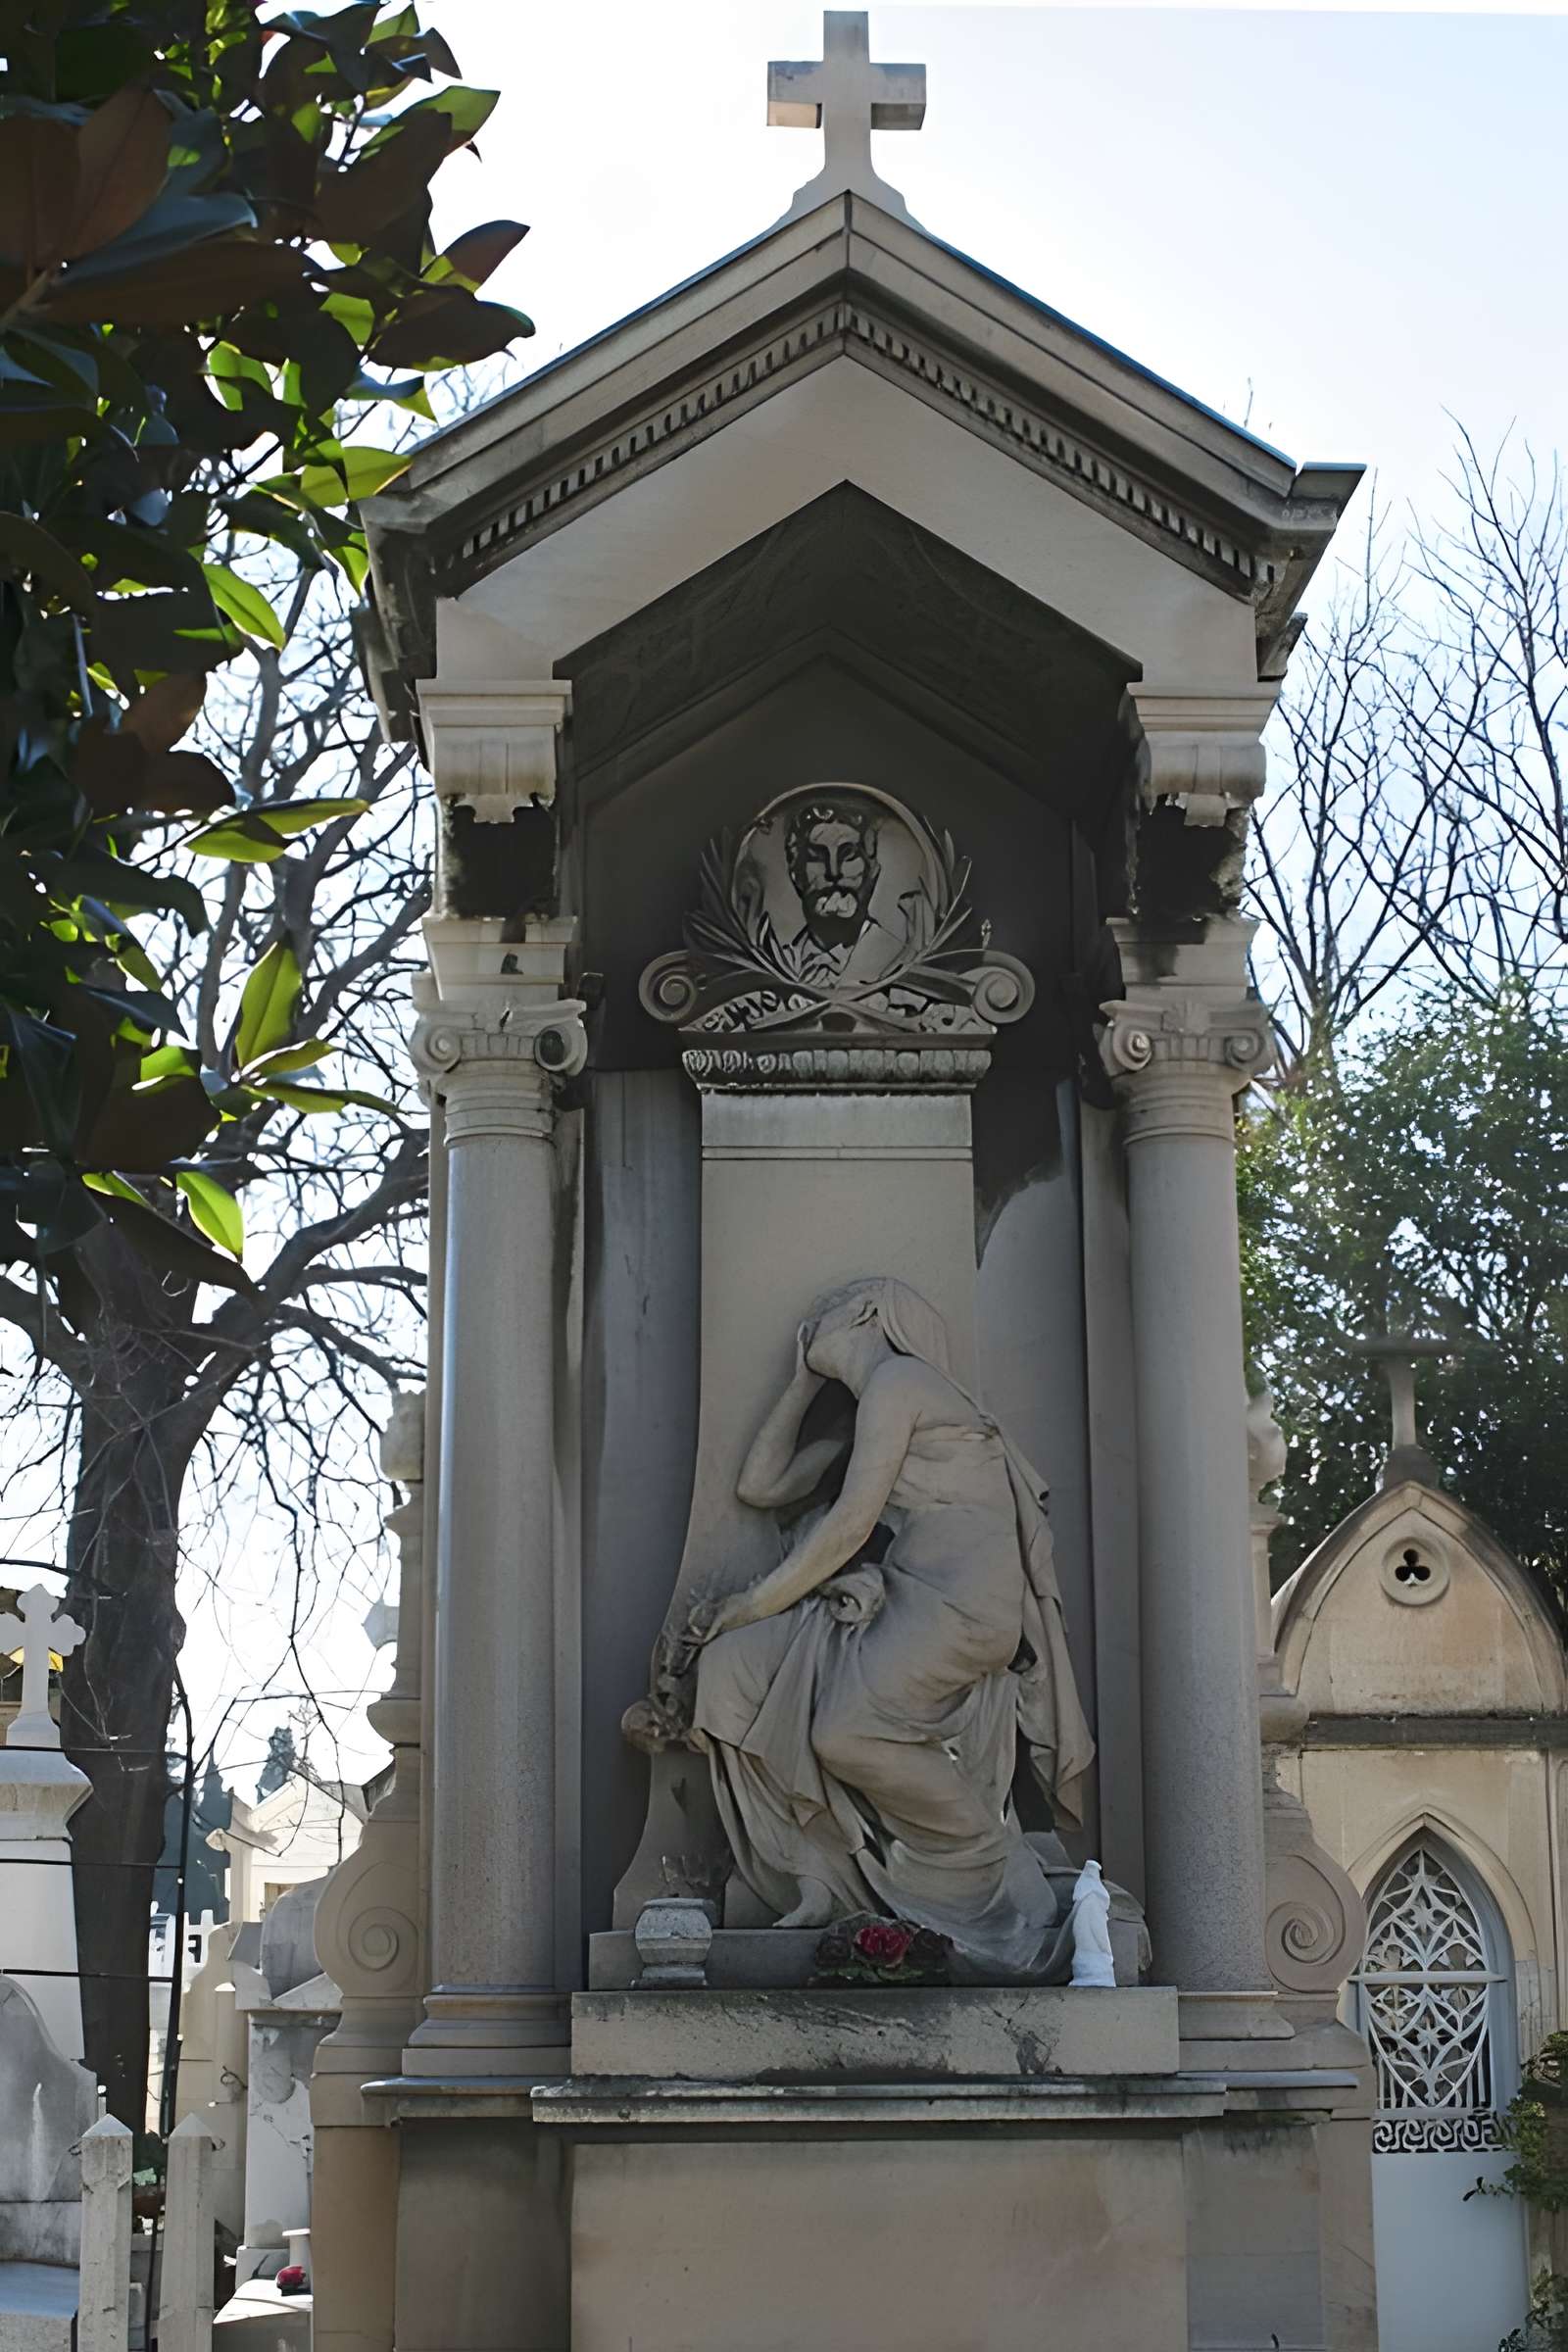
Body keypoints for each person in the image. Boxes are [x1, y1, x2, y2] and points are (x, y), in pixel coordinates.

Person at [689, 1277, 1093, 1977]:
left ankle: (989, 1867)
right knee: (732, 1670)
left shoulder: (903, 1384)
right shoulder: (876, 1407)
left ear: (868, 1315)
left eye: (826, 1311)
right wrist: (800, 1383)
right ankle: (815, 1873)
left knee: (843, 1731)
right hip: (908, 1599)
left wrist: (751, 1603)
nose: (810, 1319)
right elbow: (760, 1487)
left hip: (959, 1607)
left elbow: (847, 1527)